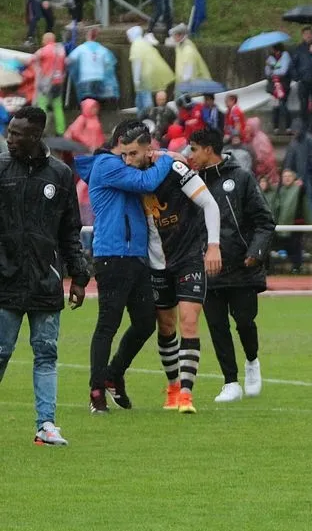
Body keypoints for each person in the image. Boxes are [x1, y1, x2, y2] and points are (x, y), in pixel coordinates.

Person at [0, 106, 89, 445]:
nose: (9, 138)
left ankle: (46, 425)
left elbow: (70, 230)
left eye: (16, 133)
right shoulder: (1, 167)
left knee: (47, 353)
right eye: (9, 131)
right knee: (1, 351)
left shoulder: (60, 175)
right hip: (5, 277)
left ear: (35, 136)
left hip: (45, 279)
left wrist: (78, 275)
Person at [75, 120, 178, 412]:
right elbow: (146, 183)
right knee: (108, 324)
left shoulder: (121, 165)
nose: (134, 156)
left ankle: (113, 374)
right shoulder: (107, 165)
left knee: (145, 323)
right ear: (121, 140)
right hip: (113, 255)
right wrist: (167, 158)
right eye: (132, 149)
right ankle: (97, 390)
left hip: (135, 256)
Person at [121, 130, 223, 414]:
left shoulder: (175, 168)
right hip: (156, 262)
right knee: (166, 327)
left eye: (134, 154)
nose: (128, 160)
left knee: (189, 322)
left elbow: (209, 203)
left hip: (189, 256)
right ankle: (173, 386)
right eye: (124, 154)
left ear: (148, 150)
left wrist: (213, 246)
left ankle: (187, 395)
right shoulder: (126, 174)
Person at [190, 129, 275, 403]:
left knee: (245, 322)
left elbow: (264, 221)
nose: (191, 155)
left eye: (194, 149)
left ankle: (252, 361)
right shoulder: (191, 182)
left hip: (241, 266)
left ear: (208, 149)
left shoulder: (241, 178)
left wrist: (255, 252)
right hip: (207, 267)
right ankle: (230, 382)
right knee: (217, 326)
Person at [127, 26, 175, 119]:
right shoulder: (144, 43)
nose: (128, 39)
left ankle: (148, 118)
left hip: (143, 76)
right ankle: (142, 118)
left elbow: (137, 63)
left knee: (145, 100)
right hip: (149, 74)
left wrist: (136, 80)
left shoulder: (136, 46)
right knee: (140, 100)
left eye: (128, 36)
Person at [65, 27, 119, 102]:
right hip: (99, 77)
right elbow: (108, 63)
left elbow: (69, 60)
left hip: (86, 77)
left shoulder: (81, 48)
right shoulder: (102, 49)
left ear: (87, 36)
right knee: (97, 99)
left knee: (87, 99)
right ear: (96, 37)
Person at [30, 33, 67, 135]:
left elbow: (32, 59)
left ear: (46, 40)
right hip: (58, 83)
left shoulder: (44, 50)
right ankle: (60, 131)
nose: (42, 42)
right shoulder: (61, 51)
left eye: (43, 40)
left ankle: (41, 131)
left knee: (42, 107)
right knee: (58, 107)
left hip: (46, 84)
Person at [171, 25, 211, 91]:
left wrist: (185, 88)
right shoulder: (180, 46)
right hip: (183, 84)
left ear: (180, 35)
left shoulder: (188, 50)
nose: (172, 37)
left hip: (191, 87)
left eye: (174, 35)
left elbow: (188, 72)